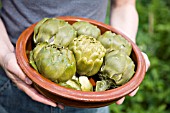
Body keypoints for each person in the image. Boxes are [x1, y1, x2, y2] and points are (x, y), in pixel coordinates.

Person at [0, 0, 150, 113]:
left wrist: (125, 59)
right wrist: (5, 54)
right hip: (15, 76)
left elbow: (124, 6)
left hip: (91, 96)